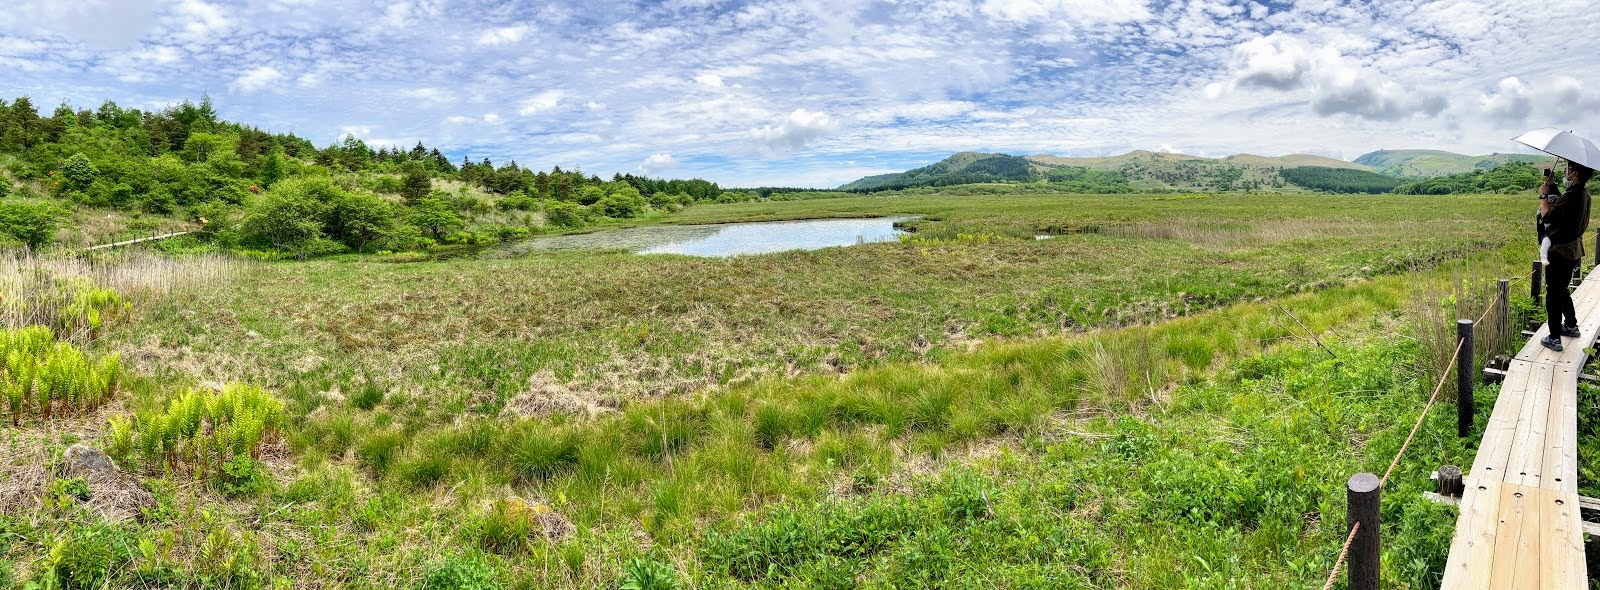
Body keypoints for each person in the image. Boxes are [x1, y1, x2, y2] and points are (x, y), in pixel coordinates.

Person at [1539, 160, 1593, 352]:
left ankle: (1554, 337)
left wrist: (1544, 194)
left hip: (1560, 251)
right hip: (1572, 250)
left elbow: (1548, 216)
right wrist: (1552, 184)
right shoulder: (1583, 194)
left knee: (1553, 293)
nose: (1566, 172)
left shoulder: (1572, 196)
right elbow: (1564, 207)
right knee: (1561, 289)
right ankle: (1570, 325)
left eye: (1568, 169)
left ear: (1575, 173)